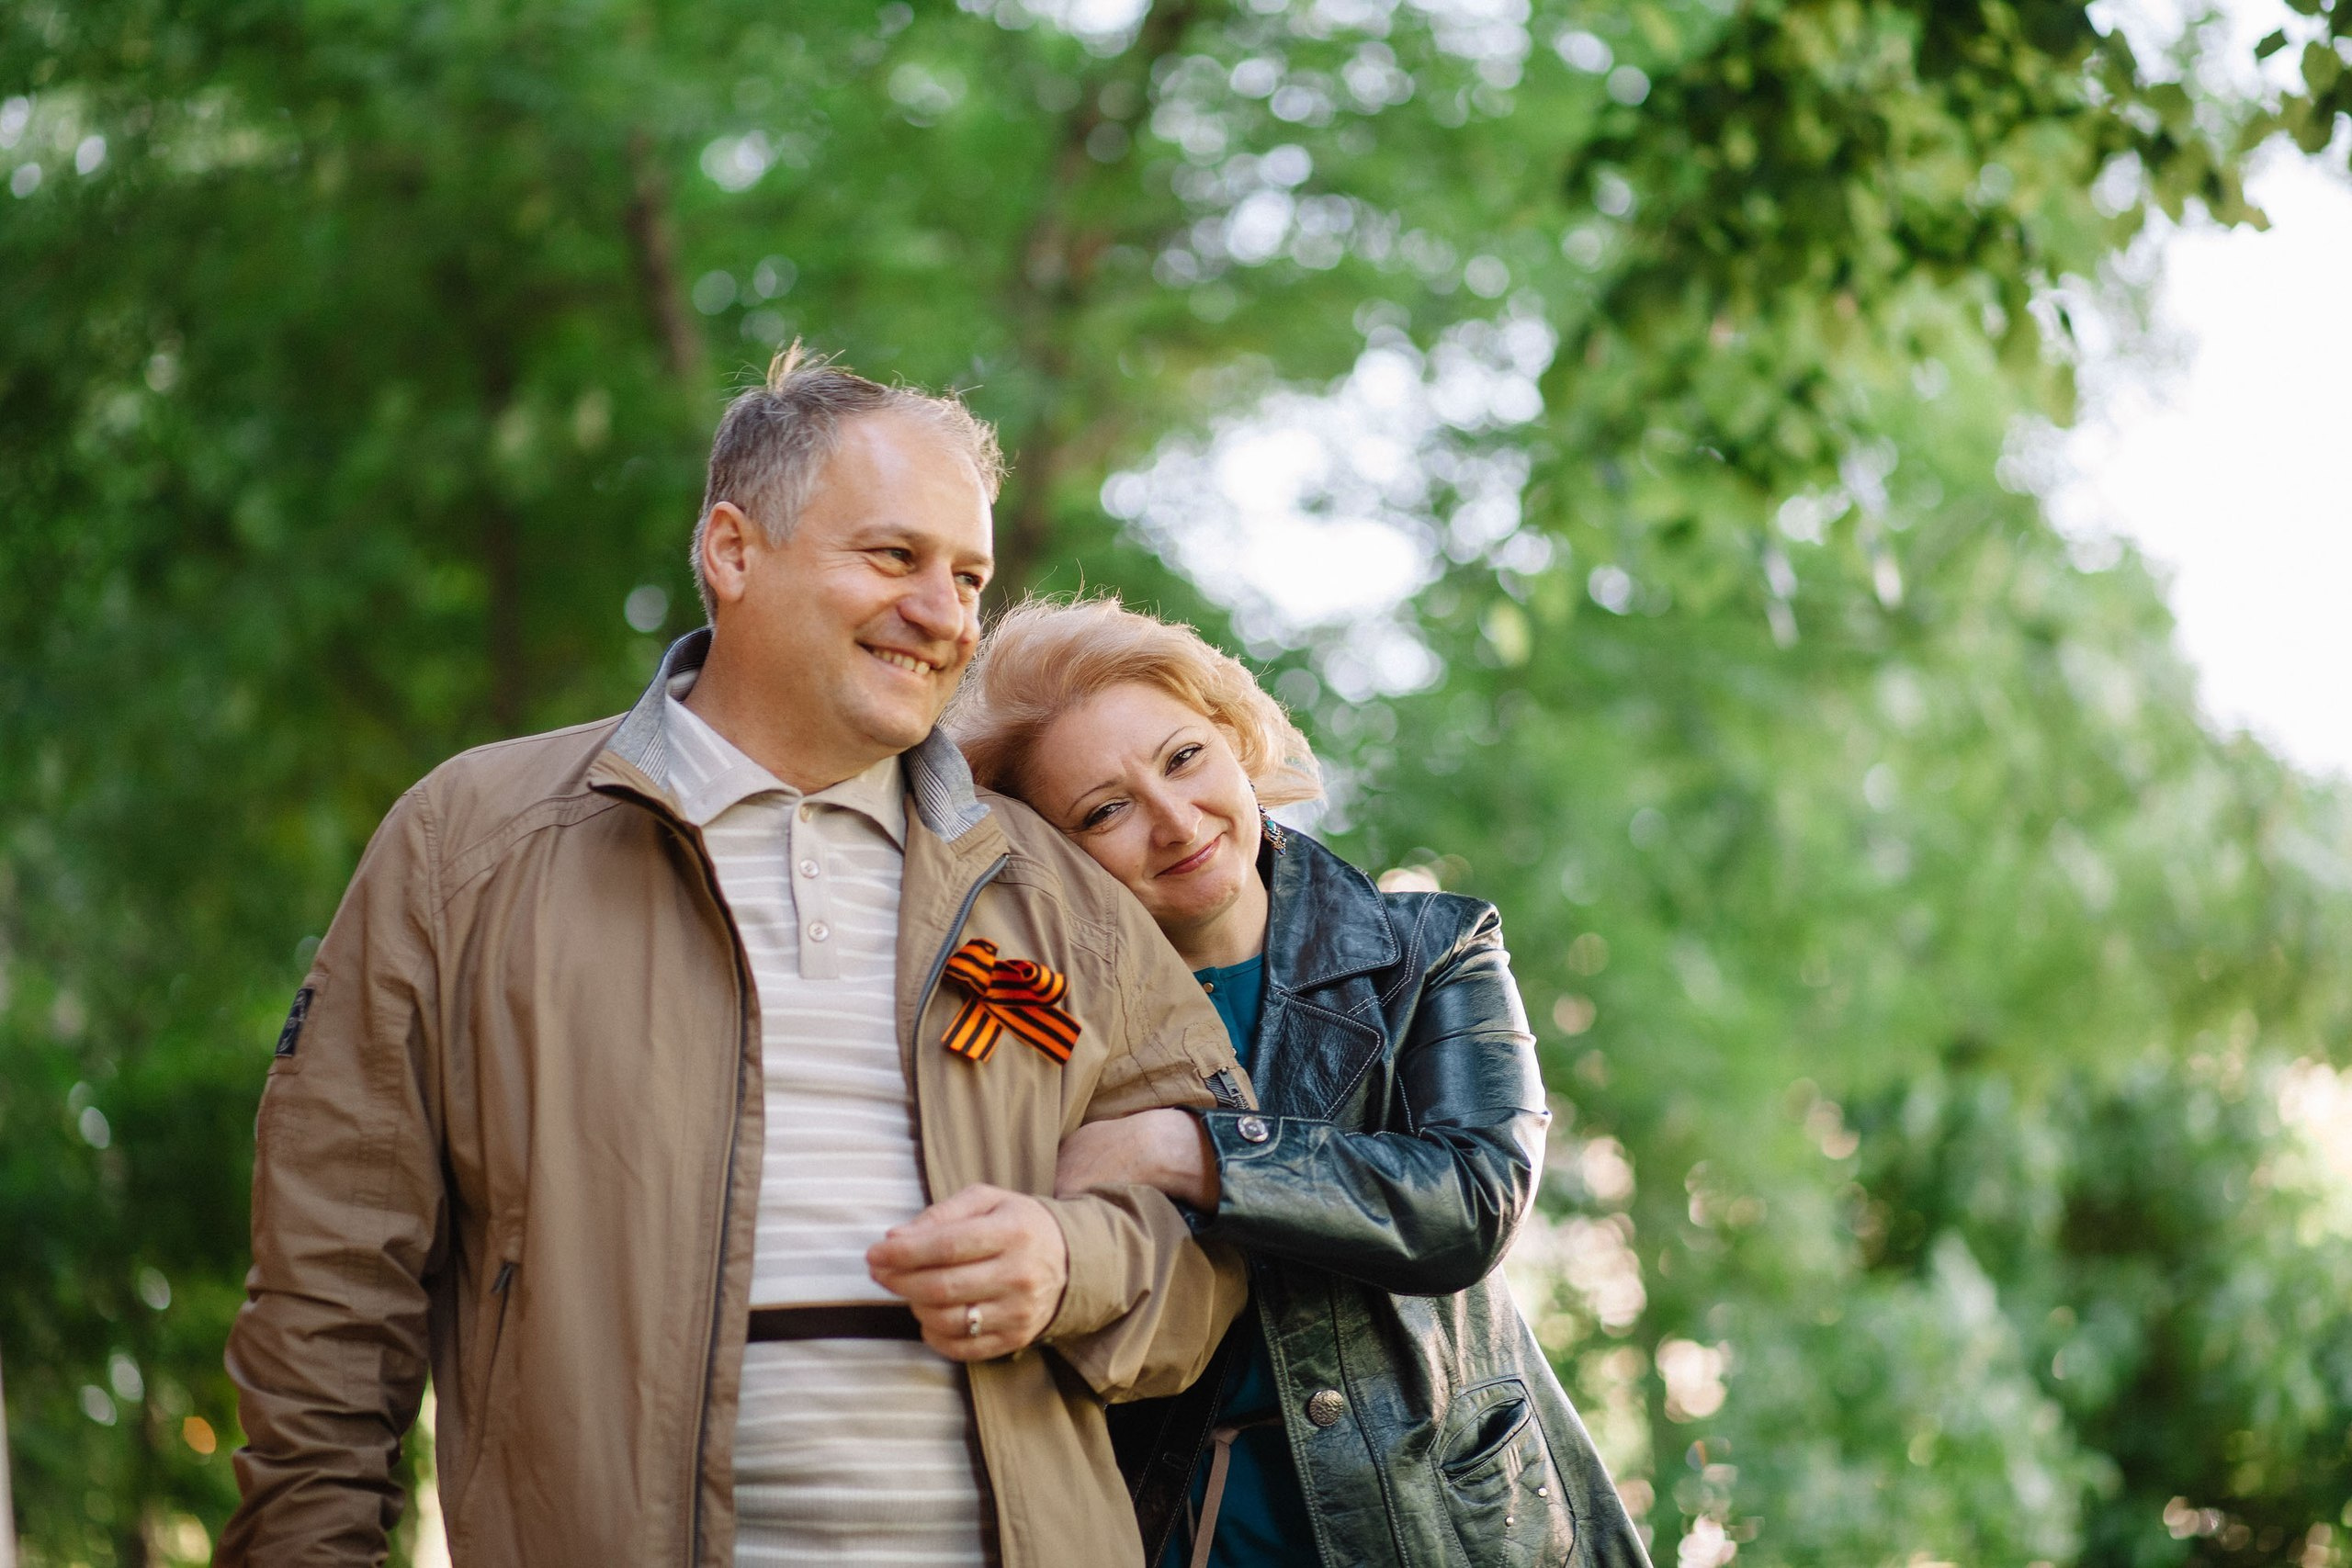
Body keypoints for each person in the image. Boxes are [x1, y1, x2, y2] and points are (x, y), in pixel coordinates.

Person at [218, 352, 1254, 1568]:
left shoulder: (1055, 891)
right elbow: (331, 1283)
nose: (945, 612)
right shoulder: (467, 844)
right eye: (893, 557)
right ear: (732, 552)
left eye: (967, 574)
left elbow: (1221, 1229)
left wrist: (1069, 1259)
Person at [946, 597, 1655, 1568]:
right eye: (1103, 810)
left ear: (1237, 741)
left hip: (1446, 1525)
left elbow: (1471, 1202)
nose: (1171, 818)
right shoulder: (1029, 1008)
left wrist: (1189, 1149)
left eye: (1184, 757)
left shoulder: (1432, 949)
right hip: (1168, 1528)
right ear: (1053, 854)